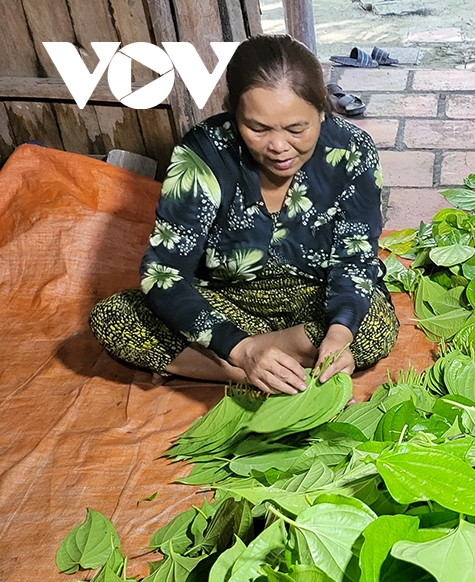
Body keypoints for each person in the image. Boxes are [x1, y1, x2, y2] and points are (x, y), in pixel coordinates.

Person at [91, 35, 399, 395]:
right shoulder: (202, 154)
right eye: (258, 128)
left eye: (297, 129)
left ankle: (222, 365)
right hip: (227, 301)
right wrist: (241, 347)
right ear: (234, 112)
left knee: (371, 326)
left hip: (314, 298)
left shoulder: (351, 151)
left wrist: (339, 333)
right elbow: (166, 274)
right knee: (114, 319)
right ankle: (249, 372)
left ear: (323, 110)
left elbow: (355, 259)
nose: (279, 147)